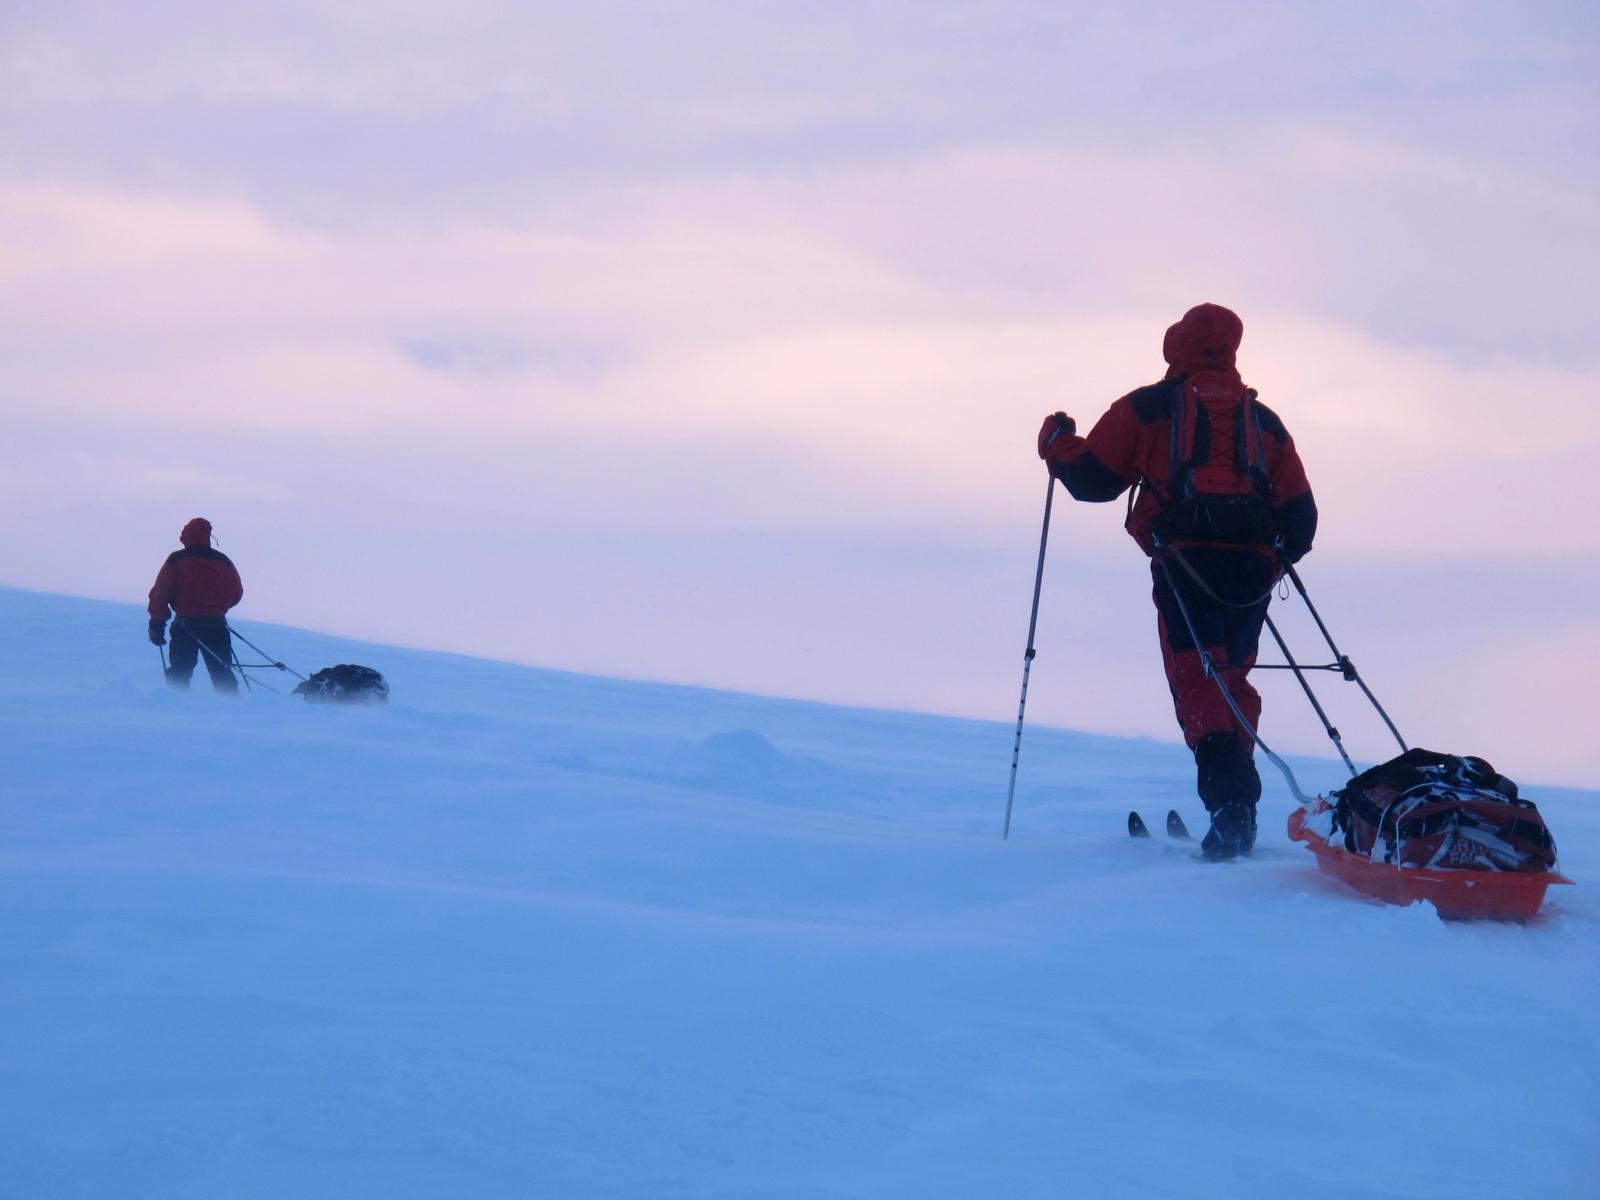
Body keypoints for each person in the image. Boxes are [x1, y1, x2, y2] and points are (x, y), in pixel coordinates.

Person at [1037, 303, 1317, 859]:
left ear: (1178, 344)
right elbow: (1302, 520)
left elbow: (1092, 478)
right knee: (1230, 678)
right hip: (1251, 574)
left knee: (1198, 678)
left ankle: (1230, 810)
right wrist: (1269, 563)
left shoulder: (1150, 407)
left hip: (1186, 563)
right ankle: (1239, 809)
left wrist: (1056, 443)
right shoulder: (1264, 422)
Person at [147, 517, 245, 694]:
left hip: (185, 626)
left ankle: (178, 704)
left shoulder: (176, 560)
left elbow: (160, 593)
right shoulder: (223, 561)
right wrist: (217, 607)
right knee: (222, 673)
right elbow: (236, 592)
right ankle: (231, 706)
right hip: (216, 625)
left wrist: (156, 624)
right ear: (208, 536)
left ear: (185, 536)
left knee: (180, 673)